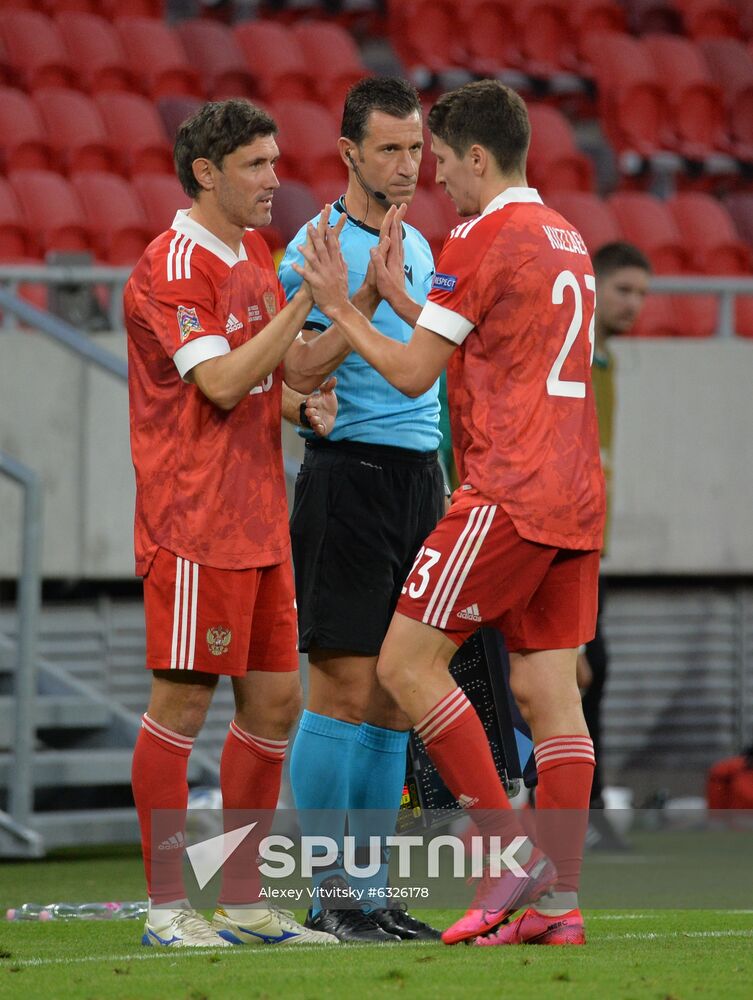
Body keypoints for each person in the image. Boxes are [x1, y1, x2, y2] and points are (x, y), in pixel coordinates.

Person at [294, 79, 606, 948]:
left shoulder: (481, 234)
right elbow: (492, 340)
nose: (434, 180)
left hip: (506, 488)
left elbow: (408, 375)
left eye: (437, 162)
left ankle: (510, 856)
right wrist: (398, 299)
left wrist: (344, 300)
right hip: (576, 496)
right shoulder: (565, 236)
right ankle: (557, 904)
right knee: (549, 692)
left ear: (475, 156)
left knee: (405, 662)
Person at [125, 98, 348, 948]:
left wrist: (352, 306)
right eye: (256, 164)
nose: (274, 179)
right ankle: (164, 908)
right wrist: (304, 305)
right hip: (193, 521)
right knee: (180, 708)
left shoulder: (252, 253)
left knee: (274, 707)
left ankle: (244, 900)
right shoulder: (172, 265)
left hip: (259, 519)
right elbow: (217, 383)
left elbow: (279, 372)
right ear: (207, 173)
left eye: (275, 161)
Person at [277, 77, 445, 943]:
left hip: (424, 479)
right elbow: (297, 373)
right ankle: (324, 888)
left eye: (415, 147)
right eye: (389, 148)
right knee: (340, 687)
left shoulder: (420, 242)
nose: (408, 165)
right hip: (346, 481)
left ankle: (371, 893)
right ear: (348, 153)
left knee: (392, 696)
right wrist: (362, 300)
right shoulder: (314, 247)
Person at [579, 241, 650, 846]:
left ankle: (588, 808)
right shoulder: (574, 358)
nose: (636, 304)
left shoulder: (606, 363)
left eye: (643, 293)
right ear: (593, 285)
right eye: (624, 289)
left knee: (589, 672)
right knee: (572, 673)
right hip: (557, 541)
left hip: (586, 547)